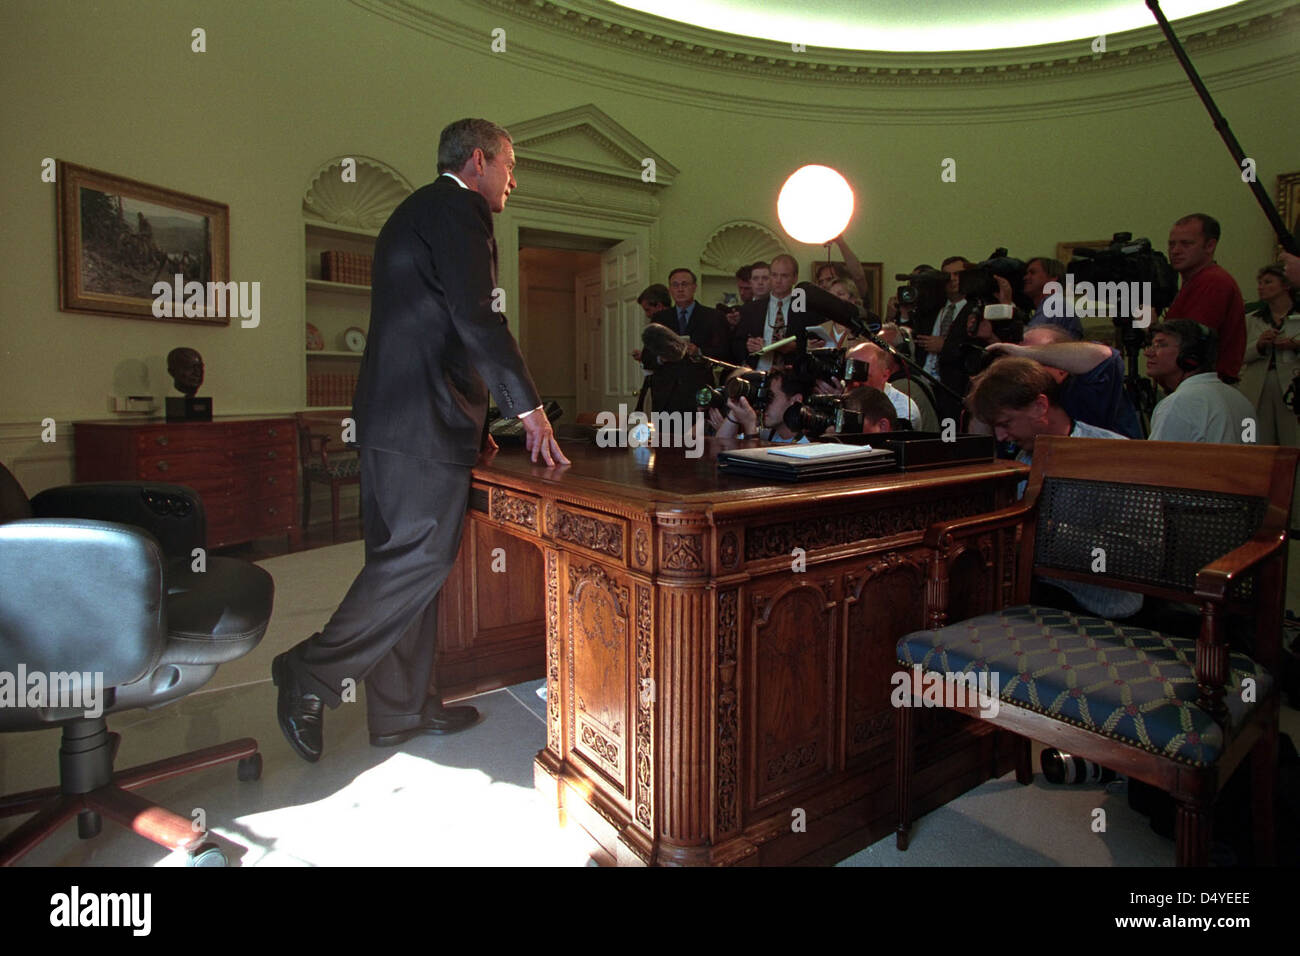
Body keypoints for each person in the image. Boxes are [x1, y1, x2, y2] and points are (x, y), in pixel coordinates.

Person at [273, 118, 568, 763]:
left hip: (402, 421)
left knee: (406, 562)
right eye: (510, 166)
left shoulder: (418, 211)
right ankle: (310, 671)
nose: (514, 180)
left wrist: (476, 423)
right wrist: (529, 412)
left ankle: (400, 712)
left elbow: (439, 325)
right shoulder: (458, 211)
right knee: (417, 561)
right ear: (479, 160)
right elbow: (476, 319)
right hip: (418, 424)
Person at [966, 356, 1139, 619]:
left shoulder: (1115, 456)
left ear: (1040, 406)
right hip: (1035, 593)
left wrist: (1047, 533)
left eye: (1005, 423)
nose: (1001, 437)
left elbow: (1137, 555)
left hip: (1096, 605)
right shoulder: (1024, 459)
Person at [985, 325, 1142, 438]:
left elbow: (1104, 356)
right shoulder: (1017, 404)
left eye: (1035, 359)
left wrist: (1022, 353)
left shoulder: (1080, 392)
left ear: (1062, 367)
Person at [1164, 213, 1246, 381]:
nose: (1175, 251)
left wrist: (1152, 328)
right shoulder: (1195, 281)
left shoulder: (1213, 282)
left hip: (1204, 383)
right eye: (1172, 244)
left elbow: (1191, 344)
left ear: (1210, 246)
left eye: (1186, 244)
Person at [1145, 320, 1255, 443]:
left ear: (1190, 356)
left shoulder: (1179, 403)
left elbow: (1158, 460)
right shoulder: (1242, 401)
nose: (1148, 353)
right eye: (1152, 345)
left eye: (1161, 345)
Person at [1239, 263, 1300, 446]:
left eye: (1268, 282)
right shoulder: (1251, 319)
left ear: (1285, 285)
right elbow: (1239, 355)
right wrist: (1259, 345)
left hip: (1292, 387)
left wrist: (1295, 346)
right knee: (1258, 441)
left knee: (1293, 441)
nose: (1261, 287)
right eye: (1259, 282)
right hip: (1258, 385)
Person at [652, 268, 728, 360]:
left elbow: (725, 352)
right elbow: (647, 356)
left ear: (694, 287)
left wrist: (699, 352)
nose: (680, 289)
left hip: (699, 372)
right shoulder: (660, 318)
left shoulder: (713, 316)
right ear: (670, 289)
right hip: (669, 371)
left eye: (684, 284)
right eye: (675, 285)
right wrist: (662, 357)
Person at [1022, 257, 1082, 340]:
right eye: (1026, 274)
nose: (1025, 278)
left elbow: (1028, 341)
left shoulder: (1055, 303)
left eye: (1032, 273)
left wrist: (1006, 305)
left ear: (1053, 278)